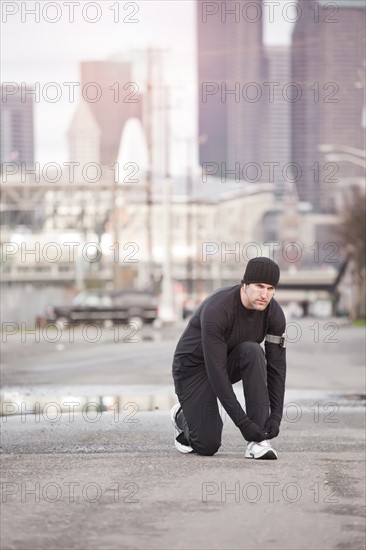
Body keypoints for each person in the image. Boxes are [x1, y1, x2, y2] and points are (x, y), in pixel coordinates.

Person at [171, 257, 286, 460]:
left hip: (227, 362)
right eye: (259, 286)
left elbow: (276, 368)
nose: (264, 294)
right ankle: (183, 417)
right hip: (192, 369)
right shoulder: (218, 309)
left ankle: (257, 443)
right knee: (207, 445)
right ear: (245, 284)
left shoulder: (274, 314)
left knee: (253, 351)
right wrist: (244, 424)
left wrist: (275, 417)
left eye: (270, 288)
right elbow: (216, 373)